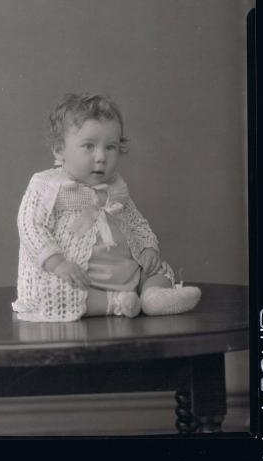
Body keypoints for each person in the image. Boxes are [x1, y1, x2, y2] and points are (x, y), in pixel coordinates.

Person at [12, 93, 201, 322]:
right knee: (55, 291)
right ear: (59, 150)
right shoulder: (48, 186)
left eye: (110, 147)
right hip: (77, 276)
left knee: (156, 271)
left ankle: (153, 295)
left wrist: (147, 247)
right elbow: (30, 226)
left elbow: (135, 221)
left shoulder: (115, 187)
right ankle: (115, 303)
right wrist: (58, 263)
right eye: (89, 146)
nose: (101, 157)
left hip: (124, 273)